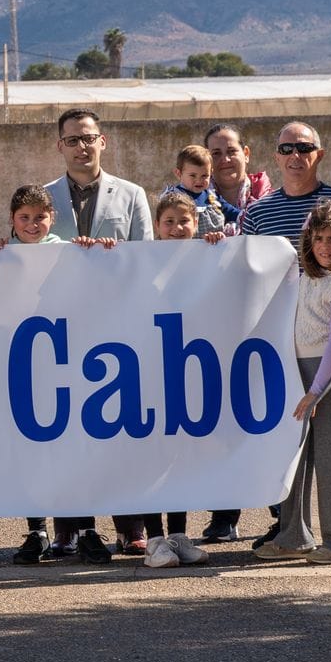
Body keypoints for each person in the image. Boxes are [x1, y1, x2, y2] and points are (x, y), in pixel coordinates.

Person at [221, 122, 331, 546]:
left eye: (304, 147)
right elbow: (245, 279)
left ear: (319, 153)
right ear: (275, 156)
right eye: (287, 148)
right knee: (289, 446)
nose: (296, 155)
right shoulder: (258, 213)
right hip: (282, 350)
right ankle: (292, 531)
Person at [0, 186, 114, 566]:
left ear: (51, 218)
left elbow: (98, 282)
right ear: (12, 219)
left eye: (39, 217)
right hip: (23, 368)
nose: (32, 224)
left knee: (75, 448)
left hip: (67, 362)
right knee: (32, 454)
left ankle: (88, 529)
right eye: (24, 218)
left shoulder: (70, 250)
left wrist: (99, 251)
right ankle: (36, 531)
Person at [255, 202, 331, 565]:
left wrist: (316, 391)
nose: (325, 247)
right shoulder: (308, 276)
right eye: (318, 238)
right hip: (301, 371)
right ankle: (293, 536)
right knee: (296, 455)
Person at [125, 193, 214, 566]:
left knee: (180, 456)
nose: (177, 229)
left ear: (195, 223)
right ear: (157, 227)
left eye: (184, 221)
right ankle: (155, 538)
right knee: (151, 455)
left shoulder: (209, 258)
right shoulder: (142, 262)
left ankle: (178, 534)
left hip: (186, 371)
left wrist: (220, 249)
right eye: (169, 222)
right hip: (147, 371)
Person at [43, 109, 153, 245]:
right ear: (60, 146)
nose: (81, 146)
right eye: (72, 140)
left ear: (102, 142)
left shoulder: (132, 195)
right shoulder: (44, 197)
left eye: (89, 139)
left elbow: (145, 252)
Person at [205, 123, 271, 229]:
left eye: (231, 151)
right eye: (216, 153)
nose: (225, 160)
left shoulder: (270, 202)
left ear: (246, 154)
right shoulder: (191, 203)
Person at [170, 145, 227, 236]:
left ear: (211, 173)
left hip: (215, 246)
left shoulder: (212, 196)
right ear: (179, 173)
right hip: (185, 247)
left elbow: (230, 211)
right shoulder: (173, 197)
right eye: (193, 175)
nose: (199, 180)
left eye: (204, 176)